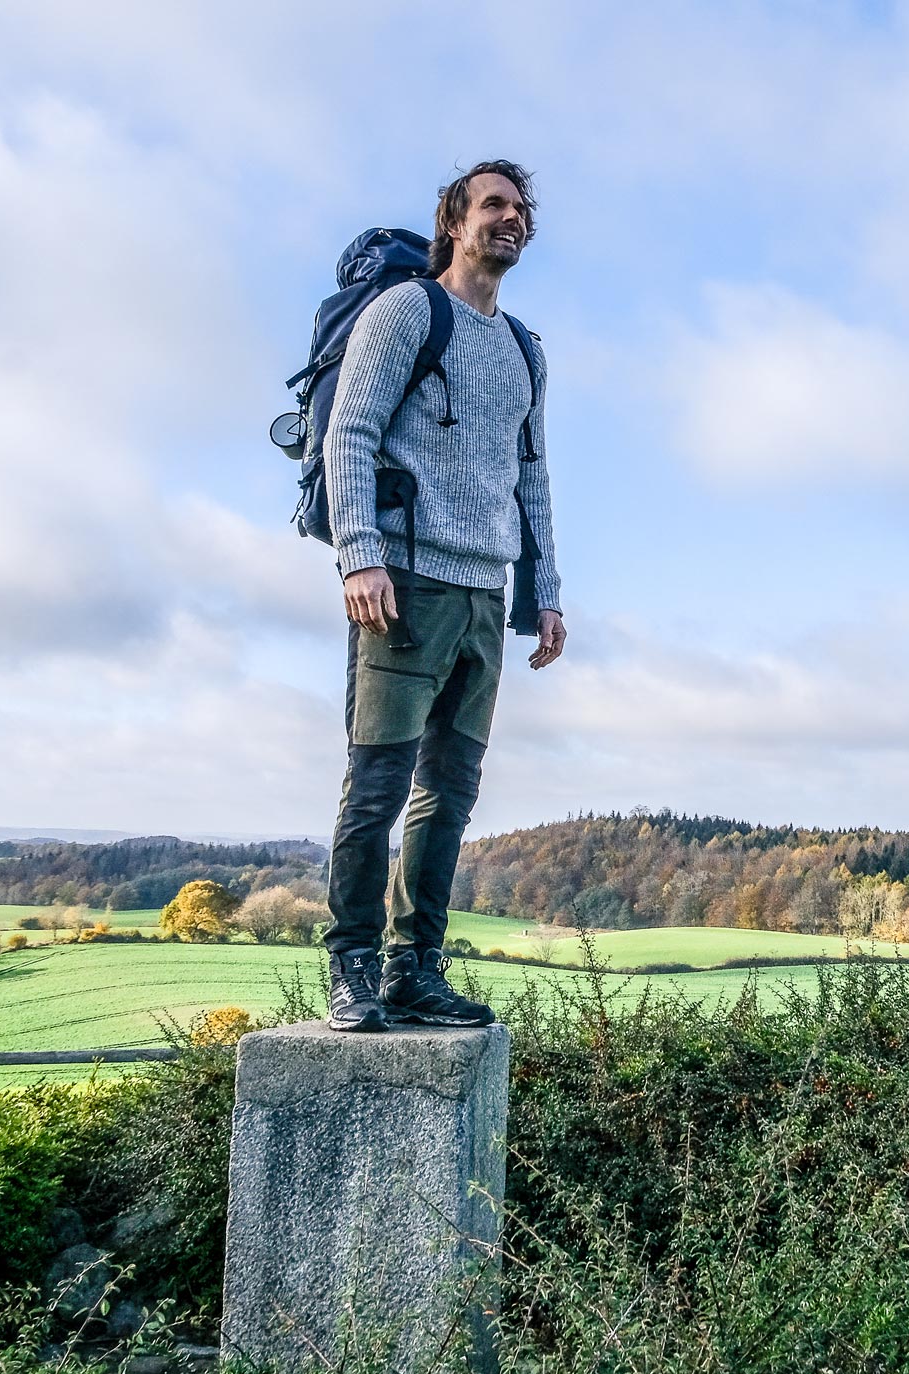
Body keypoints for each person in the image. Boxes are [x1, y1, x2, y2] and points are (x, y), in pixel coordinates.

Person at [321, 160, 566, 1032]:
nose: (512, 218)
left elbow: (531, 479)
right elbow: (349, 429)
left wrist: (546, 591)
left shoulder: (526, 348)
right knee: (377, 785)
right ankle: (350, 968)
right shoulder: (406, 313)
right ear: (455, 222)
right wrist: (360, 554)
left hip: (482, 597)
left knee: (450, 794)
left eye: (521, 208)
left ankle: (414, 968)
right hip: (405, 584)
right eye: (494, 205)